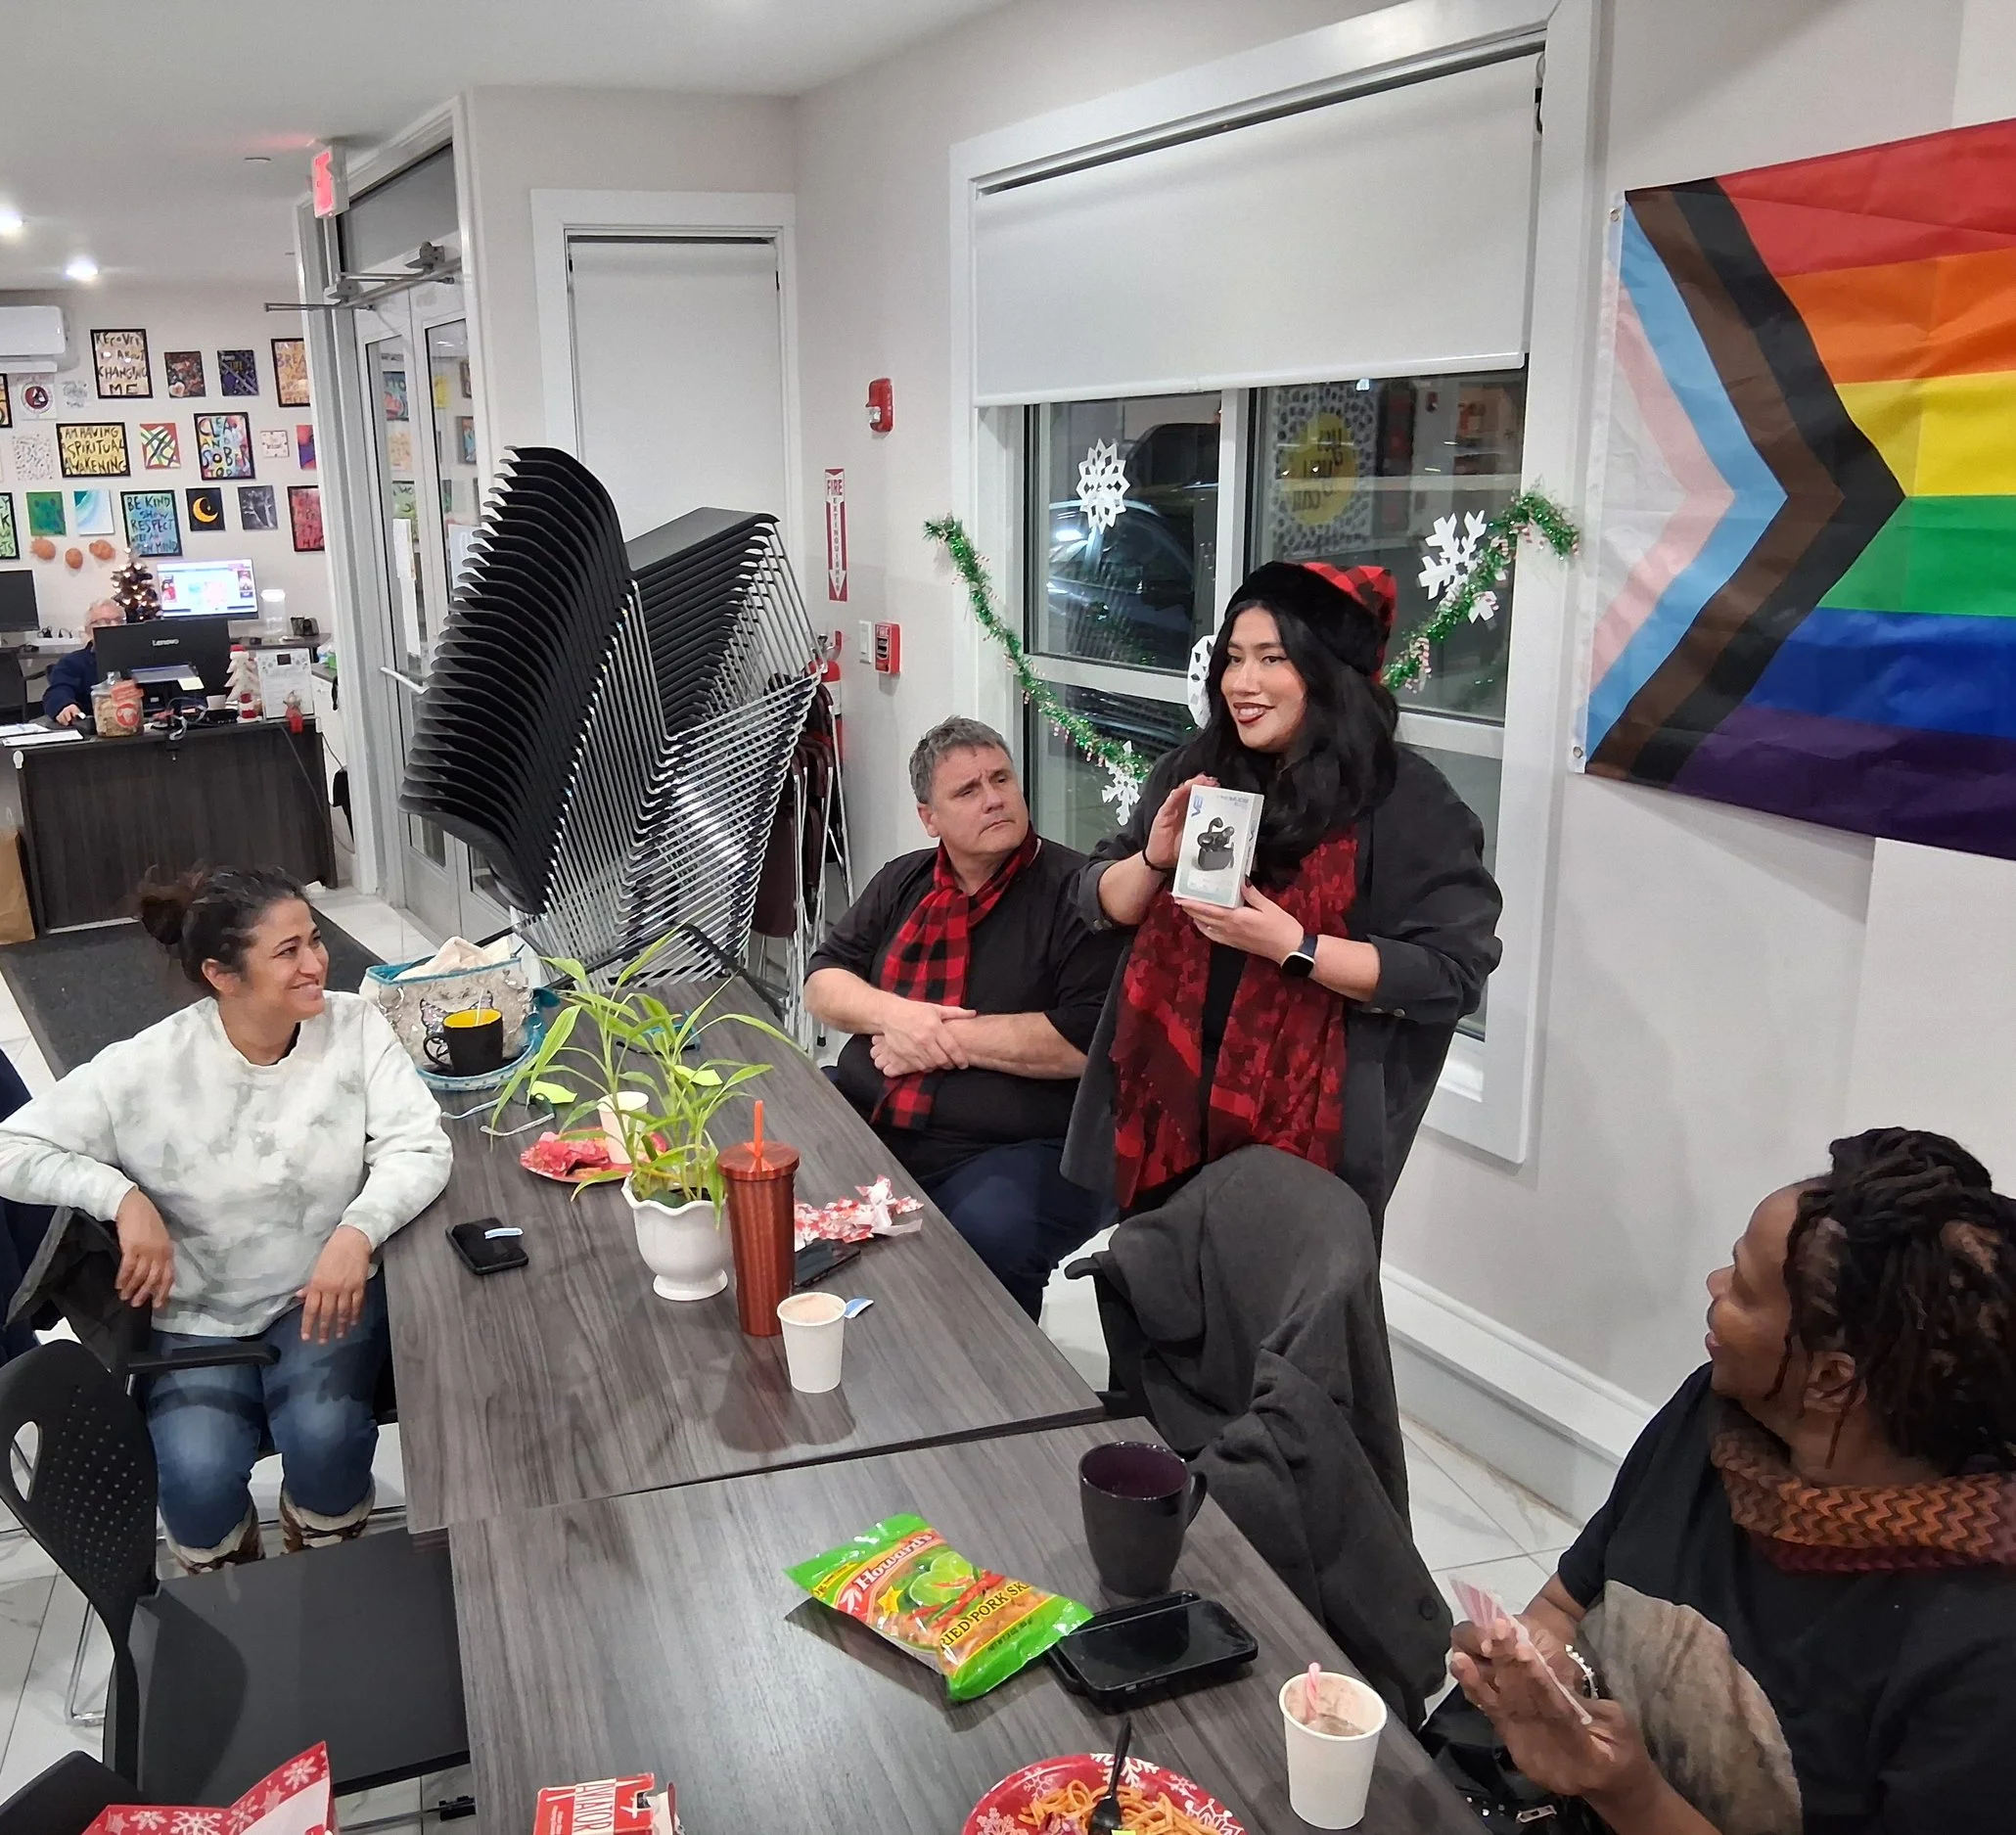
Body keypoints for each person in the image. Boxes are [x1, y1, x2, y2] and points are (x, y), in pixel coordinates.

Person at [1449, 1127, 2016, 1830]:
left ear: (1834, 1380)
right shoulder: (1716, 1417)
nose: (1714, 1288)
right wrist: (1539, 1674)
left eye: (1744, 1290)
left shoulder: (1980, 1648)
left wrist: (1633, 1795)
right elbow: (1567, 1603)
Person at [0, 867, 451, 1570]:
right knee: (193, 1478)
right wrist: (120, 1197)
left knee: (324, 1436)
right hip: (196, 1316)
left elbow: (420, 1145)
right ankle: (237, 1596)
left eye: (314, 939)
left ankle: (327, 1563)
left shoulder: (354, 1026)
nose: (318, 961)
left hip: (316, 1289)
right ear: (223, 975)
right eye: (288, 951)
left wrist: (358, 1230)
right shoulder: (150, 1066)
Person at [1062, 561, 1502, 1228]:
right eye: (1233, 658)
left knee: (1278, 1316)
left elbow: (1450, 974)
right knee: (1153, 1302)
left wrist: (1293, 946)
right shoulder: (1196, 769)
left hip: (1307, 1139)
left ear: (1327, 672)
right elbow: (1099, 898)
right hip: (1163, 1109)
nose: (1243, 682)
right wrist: (1153, 857)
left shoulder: (1405, 800)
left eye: (1273, 659)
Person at [804, 717, 1123, 1314]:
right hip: (878, 1110)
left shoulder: (1080, 893)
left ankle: (987, 1391)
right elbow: (823, 980)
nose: (994, 798)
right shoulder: (904, 880)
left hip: (1017, 1146)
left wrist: (935, 1035)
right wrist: (897, 1016)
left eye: (1001, 779)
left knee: (985, 1243)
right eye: (967, 791)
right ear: (930, 818)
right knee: (783, 1168)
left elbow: (1084, 1043)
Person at [40, 597, 125, 726]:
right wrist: (65, 706)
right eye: (105, 622)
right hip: (95, 729)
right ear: (88, 630)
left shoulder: (141, 658)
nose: (114, 626)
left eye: (119, 620)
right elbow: (58, 691)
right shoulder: (72, 663)